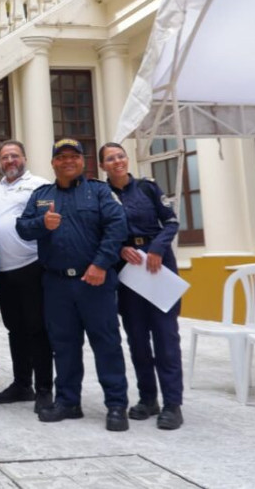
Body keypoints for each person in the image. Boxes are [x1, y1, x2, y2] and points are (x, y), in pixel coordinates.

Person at [16, 138, 130, 432]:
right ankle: (68, 402)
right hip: (56, 285)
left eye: (74, 156)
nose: (68, 161)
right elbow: (22, 227)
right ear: (53, 162)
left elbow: (117, 227)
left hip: (94, 282)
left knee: (106, 344)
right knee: (64, 346)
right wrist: (43, 223)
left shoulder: (99, 192)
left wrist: (101, 264)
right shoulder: (42, 195)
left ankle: (116, 405)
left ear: (83, 161)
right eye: (61, 156)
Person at [100, 142, 184, 430]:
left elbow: (171, 222)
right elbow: (101, 230)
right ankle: (148, 398)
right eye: (110, 159)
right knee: (136, 338)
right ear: (103, 166)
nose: (117, 161)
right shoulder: (102, 195)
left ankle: (173, 403)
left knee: (165, 337)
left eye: (120, 156)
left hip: (157, 264)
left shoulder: (148, 188)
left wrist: (158, 248)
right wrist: (121, 249)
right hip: (128, 269)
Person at [0, 141, 54, 412]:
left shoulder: (40, 185)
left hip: (32, 267)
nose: (9, 161)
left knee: (37, 329)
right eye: (4, 157)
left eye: (14, 156)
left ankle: (44, 389)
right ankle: (22, 384)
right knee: (15, 329)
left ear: (24, 158)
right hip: (3, 272)